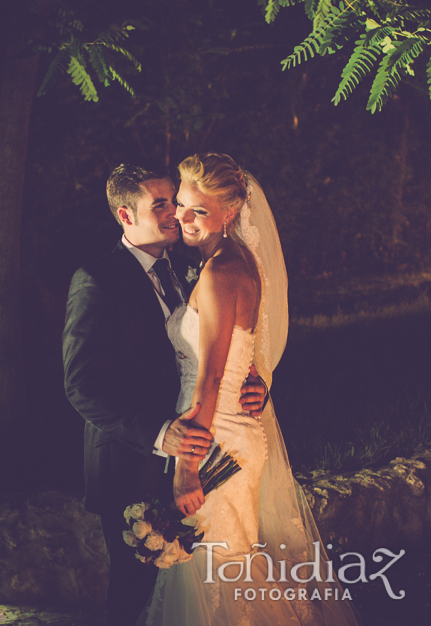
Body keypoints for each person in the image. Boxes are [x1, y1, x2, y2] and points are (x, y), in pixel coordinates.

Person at [138, 153, 362, 626]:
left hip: (213, 441)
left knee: (221, 576)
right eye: (181, 204)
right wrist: (254, 376)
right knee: (221, 570)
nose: (182, 217)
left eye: (198, 210)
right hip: (228, 433)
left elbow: (212, 381)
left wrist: (186, 469)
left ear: (230, 213)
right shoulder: (228, 261)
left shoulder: (221, 273)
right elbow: (240, 357)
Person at [63, 163, 266, 626]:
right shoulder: (95, 279)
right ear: (125, 215)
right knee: (136, 600)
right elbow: (81, 385)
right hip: (131, 463)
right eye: (161, 205)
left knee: (191, 598)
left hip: (197, 451)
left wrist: (251, 384)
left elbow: (213, 355)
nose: (175, 213)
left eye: (174, 200)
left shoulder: (187, 266)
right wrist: (161, 436)